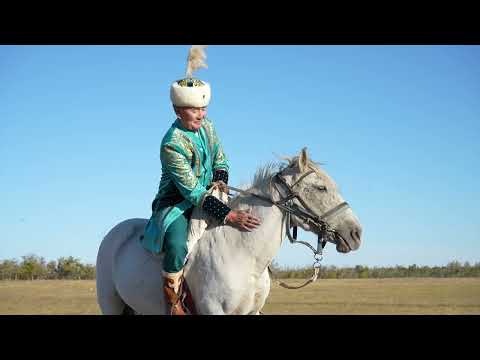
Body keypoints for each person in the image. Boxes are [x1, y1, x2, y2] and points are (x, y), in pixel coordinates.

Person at [141, 46, 261, 315]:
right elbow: (193, 193)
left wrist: (220, 183)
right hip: (175, 206)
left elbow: (221, 159)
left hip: (212, 194)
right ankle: (173, 304)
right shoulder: (171, 144)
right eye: (194, 109)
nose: (201, 114)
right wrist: (229, 216)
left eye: (204, 108)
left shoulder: (208, 127)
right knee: (175, 245)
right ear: (177, 110)